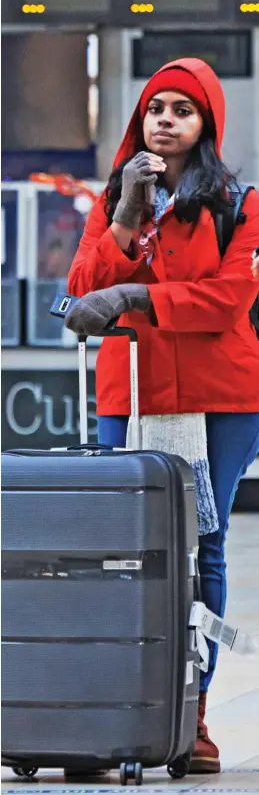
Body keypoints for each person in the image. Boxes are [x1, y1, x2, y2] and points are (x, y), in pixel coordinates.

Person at [67, 58, 259, 774]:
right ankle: (122, 707)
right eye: (155, 107)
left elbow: (227, 300)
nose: (165, 119)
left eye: (182, 108)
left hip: (222, 398)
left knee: (202, 547)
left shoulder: (241, 205)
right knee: (125, 553)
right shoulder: (115, 201)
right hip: (135, 393)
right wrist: (123, 217)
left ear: (207, 122)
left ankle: (195, 716)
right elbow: (84, 290)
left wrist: (138, 300)